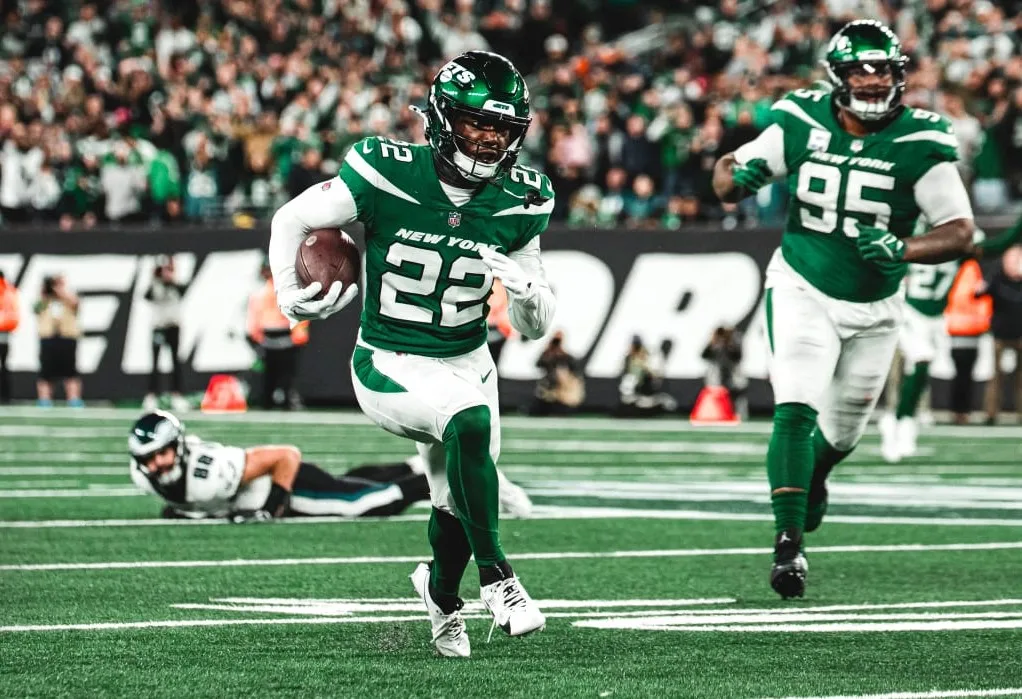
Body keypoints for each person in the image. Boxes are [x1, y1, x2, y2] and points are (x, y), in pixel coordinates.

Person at [268, 51, 554, 656]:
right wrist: (290, 297)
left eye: (502, 129)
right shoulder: (384, 170)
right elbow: (292, 217)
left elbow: (532, 326)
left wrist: (528, 293)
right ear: (443, 119)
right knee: (466, 423)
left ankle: (442, 596)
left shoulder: (525, 198)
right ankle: (499, 579)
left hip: (469, 359)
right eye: (477, 123)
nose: (488, 138)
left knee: (456, 498)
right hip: (389, 360)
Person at [713, 20, 976, 599]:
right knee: (794, 410)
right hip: (803, 283)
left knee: (846, 430)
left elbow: (961, 231)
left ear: (899, 75)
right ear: (837, 75)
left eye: (882, 68)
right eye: (861, 68)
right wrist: (740, 175)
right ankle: (788, 547)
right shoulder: (799, 120)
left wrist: (903, 247)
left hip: (878, 303)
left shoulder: (920, 139)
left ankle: (818, 476)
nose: (872, 78)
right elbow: (724, 180)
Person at [128, 411, 535, 522]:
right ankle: (417, 464)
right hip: (271, 489)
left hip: (287, 485)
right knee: (349, 485)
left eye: (162, 453)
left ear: (179, 448)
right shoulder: (146, 478)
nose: (156, 464)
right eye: (148, 458)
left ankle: (470, 483)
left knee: (362, 504)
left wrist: (276, 504)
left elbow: (286, 455)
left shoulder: (209, 472)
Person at [880, 219, 1022, 459]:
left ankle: (899, 419)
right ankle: (902, 422)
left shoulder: (959, 244)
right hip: (909, 311)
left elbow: (998, 246)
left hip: (936, 318)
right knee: (922, 360)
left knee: (921, 369)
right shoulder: (913, 234)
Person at [246, 261, 309, 410]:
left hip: (277, 337)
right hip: (277, 337)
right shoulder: (271, 293)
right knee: (278, 377)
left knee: (276, 377)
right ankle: (277, 401)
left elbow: (253, 323)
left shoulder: (263, 293)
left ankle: (273, 401)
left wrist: (257, 337)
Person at [977, 245, 1022, 424]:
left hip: (1021, 335)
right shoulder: (997, 277)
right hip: (1000, 335)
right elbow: (978, 293)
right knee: (995, 376)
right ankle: (991, 413)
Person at [143, 255, 189, 412]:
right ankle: (152, 395)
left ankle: (177, 395)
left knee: (175, 362)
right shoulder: (155, 285)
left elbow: (183, 292)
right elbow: (147, 296)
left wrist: (172, 279)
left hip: (173, 326)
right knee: (155, 363)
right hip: (159, 326)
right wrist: (154, 278)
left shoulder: (176, 285)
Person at [35, 274, 83, 408]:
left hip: (67, 337)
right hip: (48, 337)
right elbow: (36, 308)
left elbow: (75, 303)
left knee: (70, 371)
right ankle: (44, 399)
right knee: (46, 372)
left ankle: (73, 399)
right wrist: (45, 293)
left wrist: (60, 291)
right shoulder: (45, 299)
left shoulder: (69, 297)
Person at [533, 330, 584, 416]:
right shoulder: (548, 355)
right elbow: (538, 364)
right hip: (550, 387)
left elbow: (575, 369)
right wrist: (548, 351)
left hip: (564, 389)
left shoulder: (566, 357)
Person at [0, 270, 20, 404]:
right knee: (4, 366)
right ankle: (5, 395)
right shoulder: (10, 290)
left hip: (3, 331)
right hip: (5, 334)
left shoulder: (6, 290)